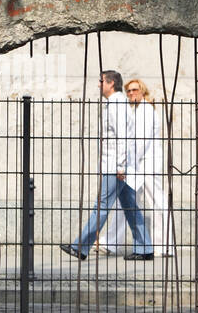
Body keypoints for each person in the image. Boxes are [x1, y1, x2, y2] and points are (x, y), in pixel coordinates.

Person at [60, 71, 153, 262]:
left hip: (115, 167)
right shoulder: (116, 103)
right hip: (119, 165)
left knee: (101, 206)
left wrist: (120, 166)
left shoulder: (116, 105)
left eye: (101, 81)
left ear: (110, 83)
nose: (99, 84)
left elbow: (122, 137)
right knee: (130, 207)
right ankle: (145, 248)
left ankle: (80, 247)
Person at [101, 79, 173, 256]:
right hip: (138, 164)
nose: (131, 93)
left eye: (135, 90)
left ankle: (164, 245)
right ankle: (111, 242)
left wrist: (125, 165)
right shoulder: (139, 110)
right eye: (128, 91)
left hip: (145, 164)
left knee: (156, 202)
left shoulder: (146, 110)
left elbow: (140, 142)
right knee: (126, 203)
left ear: (142, 91)